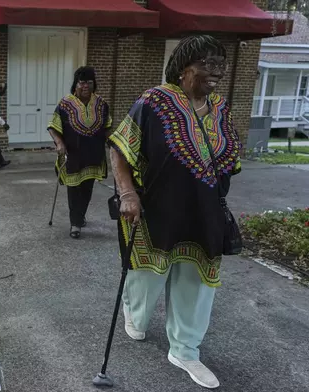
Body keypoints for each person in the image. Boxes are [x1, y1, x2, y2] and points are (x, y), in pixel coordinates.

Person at [107, 35, 241, 389]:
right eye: (208, 65)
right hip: (157, 211)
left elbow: (229, 160)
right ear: (185, 69)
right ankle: (134, 316)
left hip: (205, 214)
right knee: (148, 275)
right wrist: (127, 193)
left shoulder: (221, 109)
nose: (216, 73)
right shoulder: (154, 102)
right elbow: (120, 149)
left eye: (220, 66)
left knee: (197, 283)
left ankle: (185, 350)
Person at [47, 66, 112, 239]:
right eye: (81, 82)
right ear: (75, 85)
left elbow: (107, 128)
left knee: (87, 189)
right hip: (73, 155)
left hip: (93, 154)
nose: (85, 86)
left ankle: (80, 215)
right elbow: (53, 127)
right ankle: (75, 223)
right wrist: (59, 143)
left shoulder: (102, 104)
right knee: (74, 188)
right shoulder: (65, 104)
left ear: (94, 84)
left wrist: (114, 143)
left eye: (89, 82)